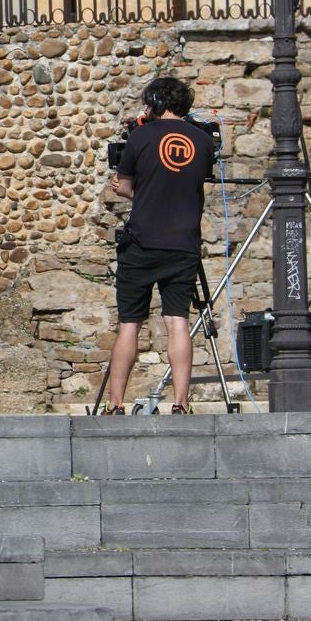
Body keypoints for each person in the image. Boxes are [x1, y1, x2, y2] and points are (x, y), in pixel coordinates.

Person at [104, 77, 214, 415]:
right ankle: (180, 402)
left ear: (155, 101)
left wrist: (128, 188)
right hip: (183, 242)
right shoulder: (203, 140)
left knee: (130, 323)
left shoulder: (139, 137)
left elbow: (125, 187)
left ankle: (115, 403)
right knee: (177, 321)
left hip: (142, 240)